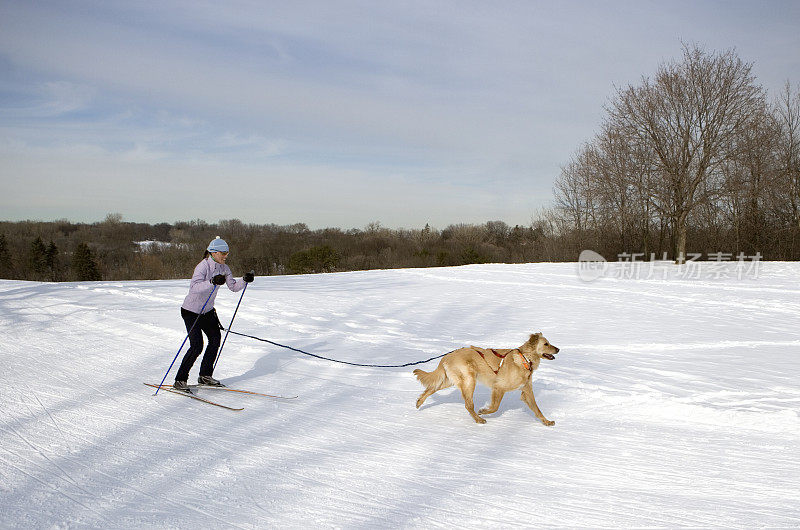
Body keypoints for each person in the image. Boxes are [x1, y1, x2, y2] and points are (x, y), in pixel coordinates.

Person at [174, 237, 254, 391]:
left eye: (227, 253)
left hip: (208, 311)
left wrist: (245, 280)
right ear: (214, 252)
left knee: (215, 339)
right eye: (223, 253)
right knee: (197, 346)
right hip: (191, 311)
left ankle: (205, 375)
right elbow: (194, 288)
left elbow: (234, 287)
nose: (226, 256)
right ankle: (180, 380)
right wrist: (211, 281)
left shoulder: (225, 268)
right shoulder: (202, 267)